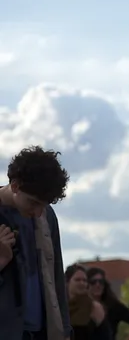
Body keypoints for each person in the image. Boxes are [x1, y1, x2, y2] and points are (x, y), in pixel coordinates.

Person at [0, 146, 72, 340]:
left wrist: (65, 330)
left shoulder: (47, 216)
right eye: (33, 203)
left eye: (44, 204)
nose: (38, 212)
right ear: (15, 186)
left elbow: (56, 275)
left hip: (42, 332)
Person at [87, 267, 129, 340]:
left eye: (101, 282)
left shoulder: (113, 306)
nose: (98, 285)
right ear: (87, 284)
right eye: (93, 282)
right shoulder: (79, 306)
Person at [65, 264, 112, 340]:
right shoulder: (61, 308)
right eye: (77, 280)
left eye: (84, 280)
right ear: (68, 282)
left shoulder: (94, 307)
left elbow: (106, 335)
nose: (82, 283)